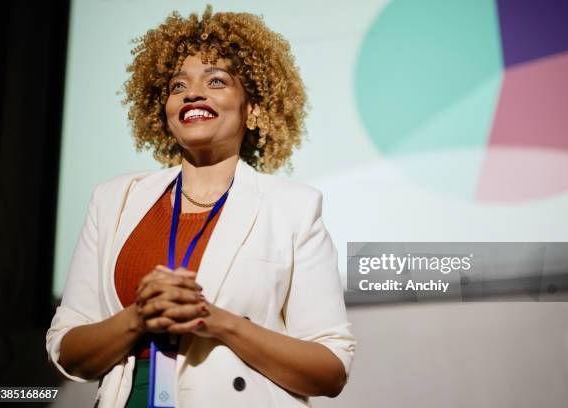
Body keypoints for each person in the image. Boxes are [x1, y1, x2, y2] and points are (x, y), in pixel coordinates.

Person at [46, 6, 355, 407]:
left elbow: (329, 369)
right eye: (178, 86)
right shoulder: (113, 200)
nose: (193, 93)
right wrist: (138, 317)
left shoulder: (294, 208)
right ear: (166, 110)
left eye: (217, 80)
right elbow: (67, 350)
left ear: (254, 108)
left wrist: (216, 321)